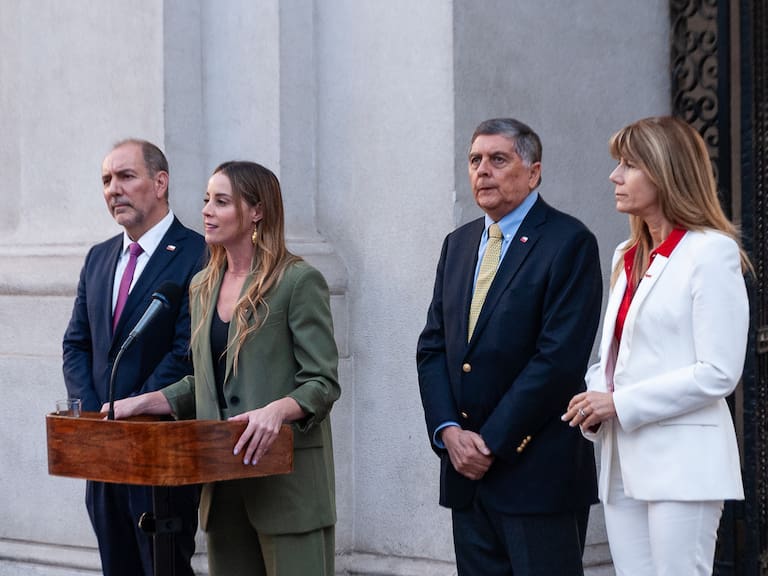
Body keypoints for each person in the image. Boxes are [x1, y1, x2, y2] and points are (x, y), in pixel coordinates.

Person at [107, 160, 340, 576]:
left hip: (285, 486)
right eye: (205, 201)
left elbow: (322, 382)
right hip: (222, 482)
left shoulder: (297, 282)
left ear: (257, 211)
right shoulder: (202, 286)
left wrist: (276, 410)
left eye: (221, 201)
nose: (207, 211)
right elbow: (209, 382)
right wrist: (147, 400)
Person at [563, 116, 750, 576]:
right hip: (620, 459)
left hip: (682, 464)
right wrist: (594, 394)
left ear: (666, 172)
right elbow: (617, 353)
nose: (614, 176)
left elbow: (718, 371)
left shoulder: (711, 252)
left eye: (629, 165)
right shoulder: (625, 255)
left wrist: (618, 403)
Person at [417, 117, 603, 575]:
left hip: (536, 474)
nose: (483, 170)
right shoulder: (458, 244)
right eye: (475, 160)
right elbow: (433, 348)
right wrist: (448, 433)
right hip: (466, 476)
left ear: (533, 172)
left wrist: (491, 443)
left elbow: (557, 360)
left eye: (498, 159)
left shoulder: (568, 241)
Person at [62, 139, 205, 576]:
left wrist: (134, 411)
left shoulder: (198, 253)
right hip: (102, 452)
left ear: (160, 183)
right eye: (106, 180)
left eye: (126, 176)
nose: (113, 190)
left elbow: (187, 351)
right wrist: (91, 413)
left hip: (159, 449)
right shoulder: (99, 257)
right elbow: (77, 344)